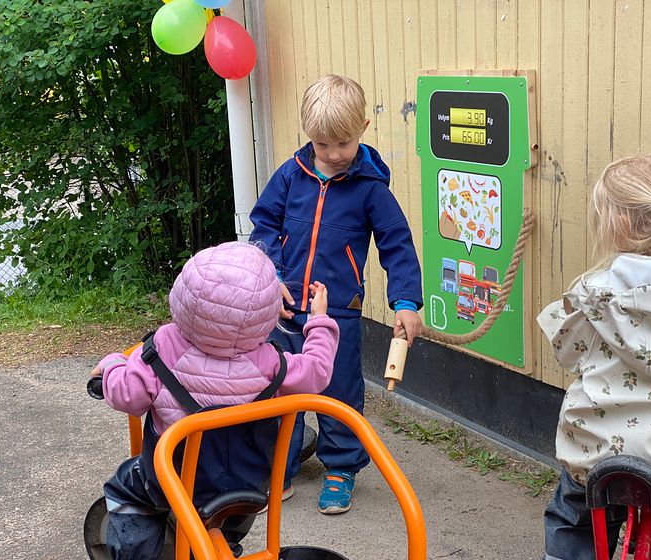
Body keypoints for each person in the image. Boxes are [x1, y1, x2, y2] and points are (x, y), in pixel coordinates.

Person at [90, 241, 339, 560]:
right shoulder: (271, 363)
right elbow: (317, 370)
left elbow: (130, 397)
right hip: (247, 488)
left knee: (127, 489)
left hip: (173, 484)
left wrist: (112, 365)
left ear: (182, 296)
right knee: (228, 523)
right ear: (264, 314)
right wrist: (319, 320)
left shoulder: (161, 348)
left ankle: (138, 553)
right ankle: (225, 548)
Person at [249, 74, 423, 515]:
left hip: (339, 312)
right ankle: (278, 469)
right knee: (277, 390)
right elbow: (264, 225)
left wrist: (406, 302)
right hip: (285, 309)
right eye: (322, 144)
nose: (332, 154)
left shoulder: (370, 188)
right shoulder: (291, 175)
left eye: (342, 143)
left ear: (363, 129)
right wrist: (270, 279)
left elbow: (396, 244)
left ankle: (341, 468)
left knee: (338, 392)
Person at [537, 153, 651, 559]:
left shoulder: (595, 293)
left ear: (616, 225)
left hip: (598, 451)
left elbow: (567, 352)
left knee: (574, 519)